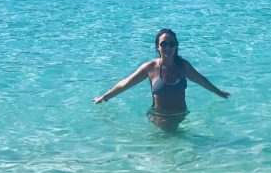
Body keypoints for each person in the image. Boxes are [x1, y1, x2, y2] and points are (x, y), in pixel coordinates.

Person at [93, 29, 230, 129]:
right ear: (157, 47)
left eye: (171, 44)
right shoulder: (150, 68)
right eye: (163, 44)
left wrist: (220, 93)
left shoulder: (183, 66)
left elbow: (202, 81)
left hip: (181, 115)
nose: (167, 47)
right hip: (159, 118)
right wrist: (105, 97)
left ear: (176, 46)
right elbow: (126, 83)